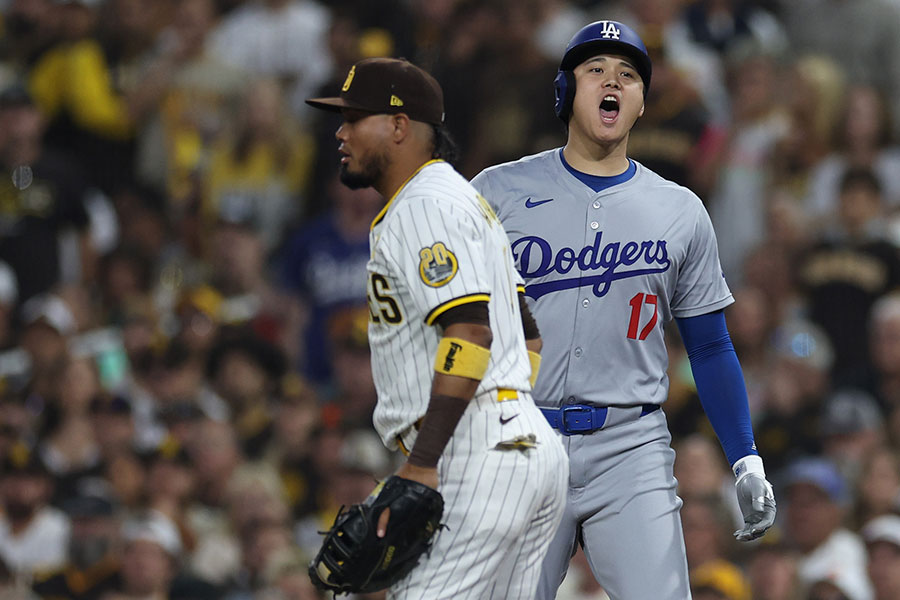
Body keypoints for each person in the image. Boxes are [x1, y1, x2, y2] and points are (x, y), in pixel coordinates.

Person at [470, 20, 776, 600]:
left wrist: (745, 459)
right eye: (596, 70)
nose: (613, 80)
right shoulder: (496, 192)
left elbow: (710, 345)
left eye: (628, 74)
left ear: (640, 104)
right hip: (520, 440)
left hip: (630, 445)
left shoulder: (679, 209)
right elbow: (453, 323)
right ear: (565, 93)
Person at [305, 56, 568, 599]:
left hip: (472, 449)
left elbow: (470, 333)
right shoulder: (461, 200)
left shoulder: (424, 206)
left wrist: (426, 461)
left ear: (400, 126)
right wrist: (512, 410)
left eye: (355, 118)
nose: (341, 131)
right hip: (519, 442)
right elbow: (529, 336)